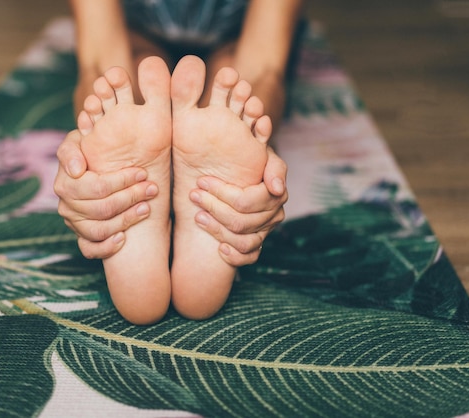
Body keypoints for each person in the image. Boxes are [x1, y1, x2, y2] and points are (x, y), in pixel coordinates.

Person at [53, 0, 302, 324]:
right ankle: (198, 138)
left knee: (204, 75)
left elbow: (267, 62)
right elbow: (263, 72)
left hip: (235, 30)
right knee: (165, 72)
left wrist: (255, 133)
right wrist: (88, 144)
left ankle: (148, 139)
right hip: (139, 27)